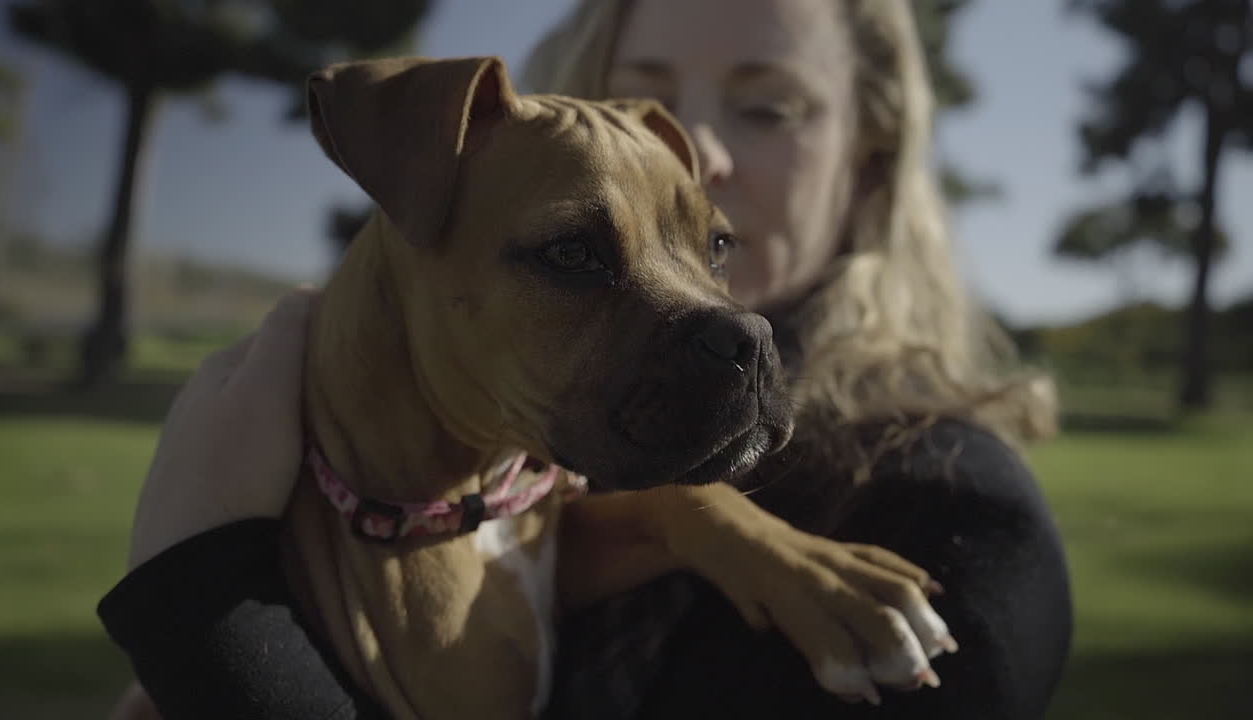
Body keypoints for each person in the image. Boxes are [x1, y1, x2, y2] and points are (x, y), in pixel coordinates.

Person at [98, 0, 1073, 718]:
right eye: (576, 253)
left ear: (871, 161)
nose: (701, 150)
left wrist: (206, 606)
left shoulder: (956, 524)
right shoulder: (495, 454)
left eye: (768, 108)